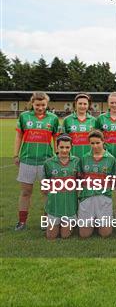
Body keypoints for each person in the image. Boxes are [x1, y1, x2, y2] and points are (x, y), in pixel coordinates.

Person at [14, 92, 60, 231]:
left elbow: (56, 138)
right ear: (32, 104)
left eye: (43, 105)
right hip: (27, 160)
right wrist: (16, 155)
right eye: (37, 105)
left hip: (46, 161)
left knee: (46, 192)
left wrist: (57, 155)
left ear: (47, 105)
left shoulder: (53, 118)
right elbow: (18, 137)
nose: (40, 107)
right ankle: (22, 222)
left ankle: (46, 221)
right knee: (26, 192)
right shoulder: (24, 117)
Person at [78, 130, 116, 238]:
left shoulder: (111, 159)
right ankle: (92, 219)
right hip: (87, 197)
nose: (95, 146)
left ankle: (103, 218)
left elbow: (114, 180)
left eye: (97, 143)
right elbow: (80, 178)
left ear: (103, 141)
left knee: (105, 234)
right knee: (84, 235)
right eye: (92, 143)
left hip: (103, 197)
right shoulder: (84, 158)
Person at [42, 134, 79, 239]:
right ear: (56, 147)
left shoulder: (76, 162)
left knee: (65, 235)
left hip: (70, 206)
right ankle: (49, 219)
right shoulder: (48, 163)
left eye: (67, 147)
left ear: (71, 147)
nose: (64, 150)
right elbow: (45, 186)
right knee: (51, 236)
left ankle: (72, 220)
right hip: (54, 205)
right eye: (61, 147)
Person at [62, 93, 97, 159]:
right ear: (75, 104)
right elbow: (62, 140)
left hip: (90, 158)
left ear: (88, 105)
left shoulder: (94, 120)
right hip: (72, 158)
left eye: (85, 104)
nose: (82, 106)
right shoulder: (67, 120)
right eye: (80, 103)